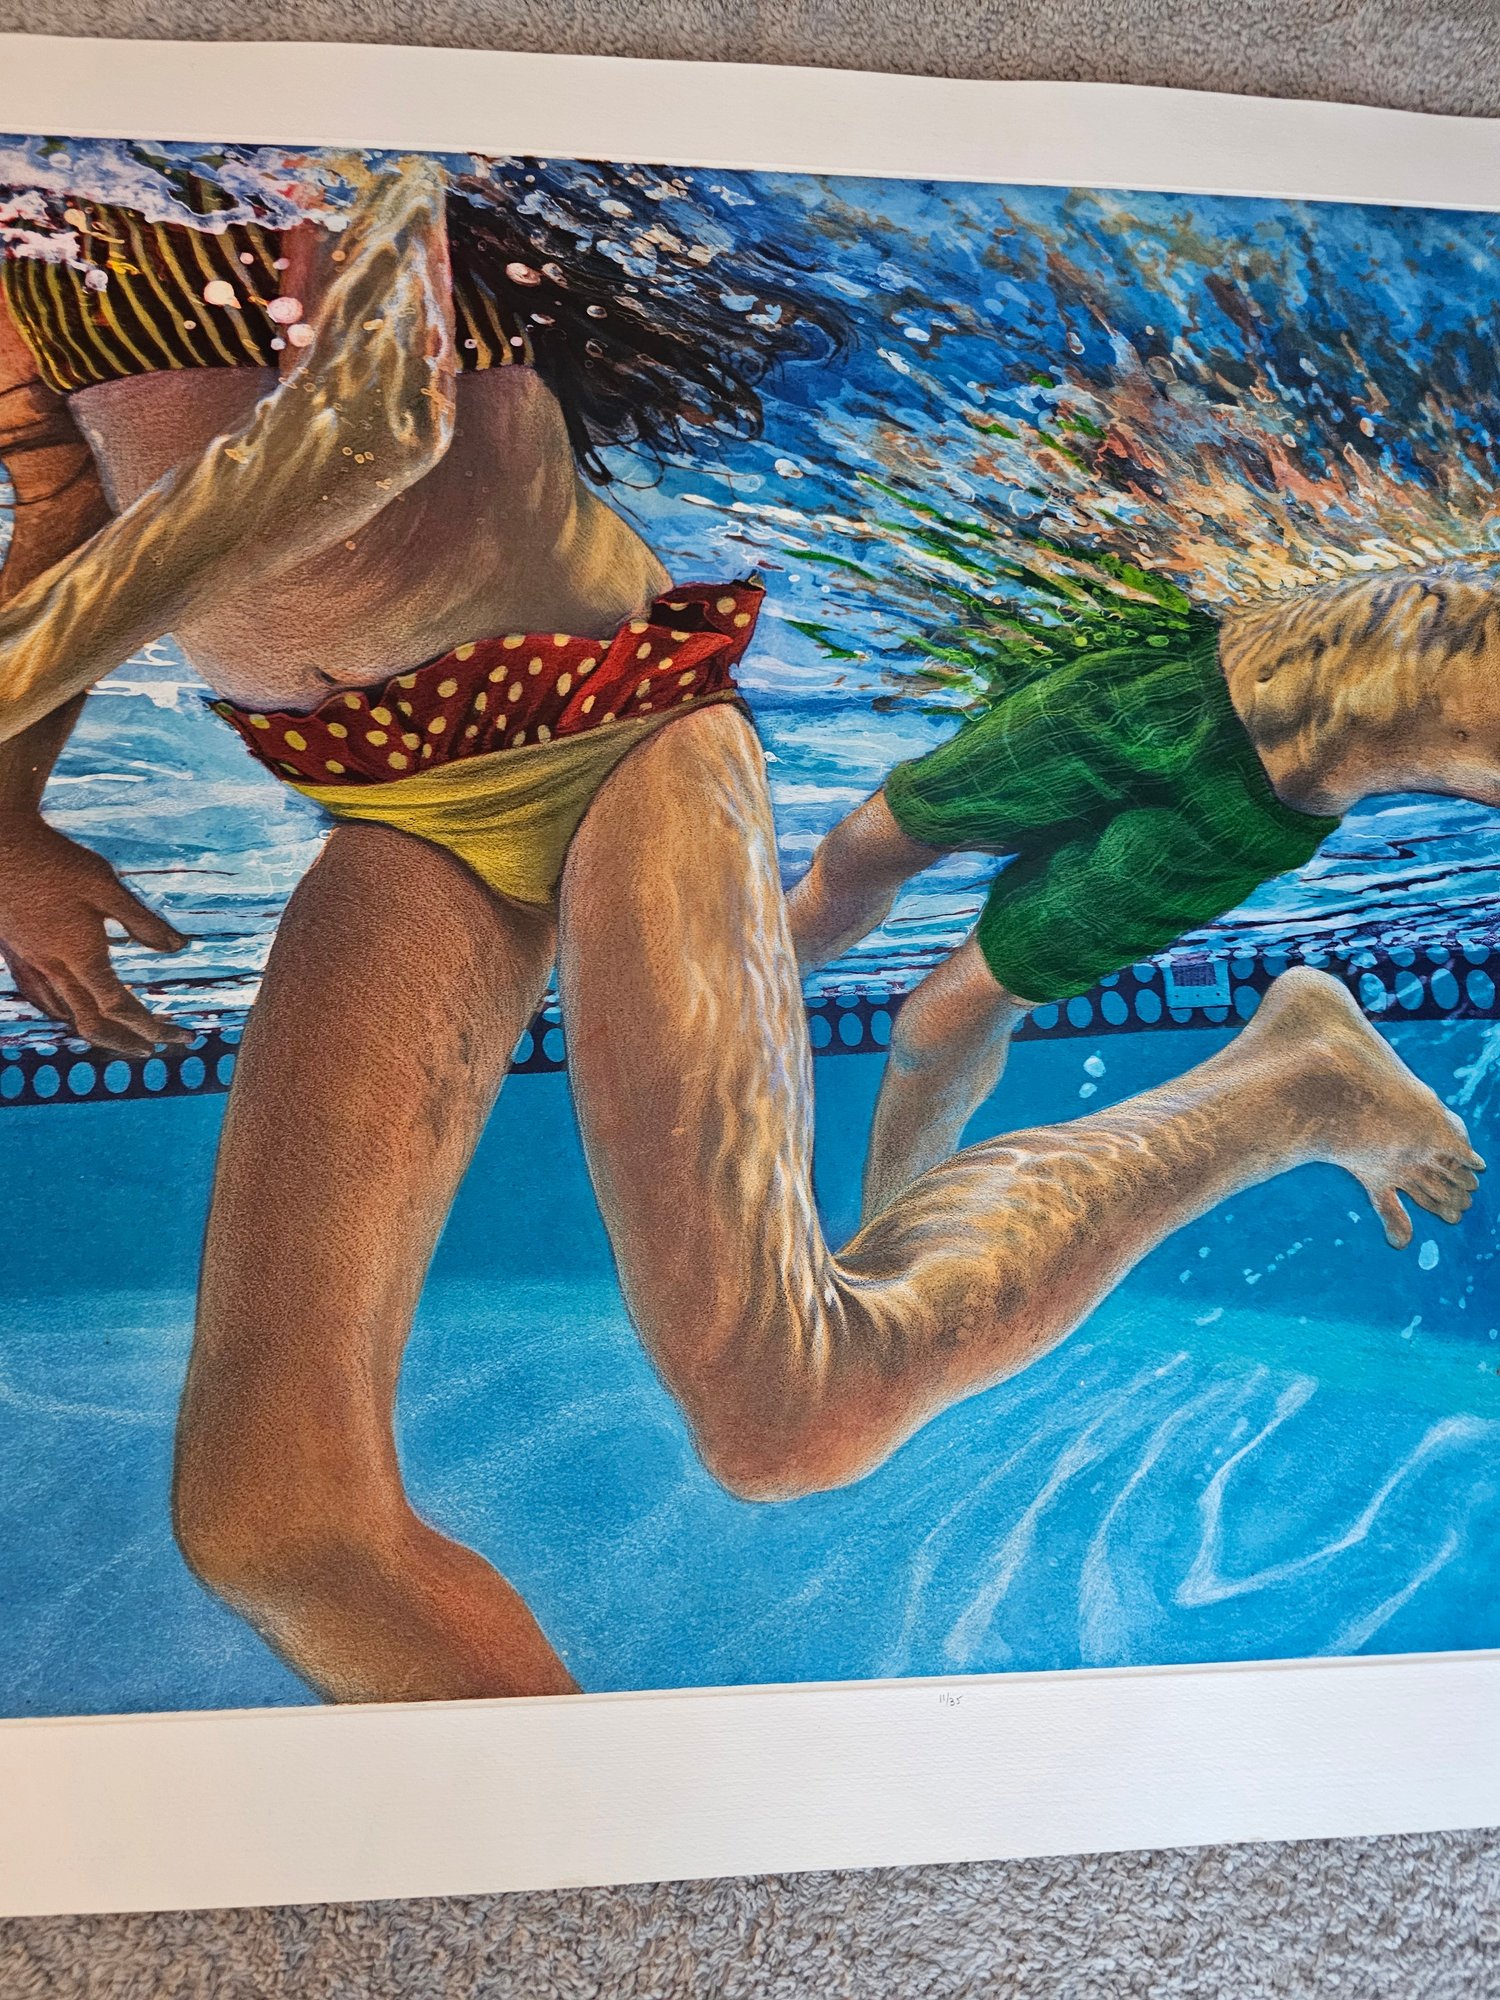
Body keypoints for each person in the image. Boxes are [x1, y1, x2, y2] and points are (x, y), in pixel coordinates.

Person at [0, 158, 1483, 1706]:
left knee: (790, 1417)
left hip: (608, 734)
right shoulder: (27, 201)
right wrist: (11, 817)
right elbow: (63, 502)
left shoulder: (311, 144)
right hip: (389, 794)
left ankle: (1284, 1087)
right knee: (275, 1525)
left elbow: (365, 424)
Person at [787, 568, 1500, 1218]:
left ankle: (886, 1241)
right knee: (860, 851)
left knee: (941, 1023)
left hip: (1226, 822)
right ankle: (743, 998)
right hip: (1168, 685)